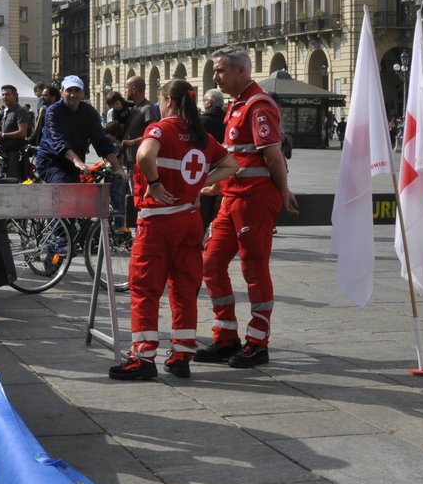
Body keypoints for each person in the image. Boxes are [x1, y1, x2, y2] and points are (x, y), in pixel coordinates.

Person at [110, 79, 235, 380]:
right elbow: (232, 164)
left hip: (158, 221)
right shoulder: (200, 135)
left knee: (145, 288)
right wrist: (200, 184)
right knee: (184, 289)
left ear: (167, 100)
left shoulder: (160, 129)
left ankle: (142, 356)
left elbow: (143, 155)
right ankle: (181, 354)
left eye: (160, 99)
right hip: (190, 220)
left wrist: (154, 183)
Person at [196, 46, 299, 369]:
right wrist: (216, 185)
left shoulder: (258, 105)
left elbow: (272, 155)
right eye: (215, 70)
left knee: (253, 268)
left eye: (221, 70)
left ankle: (258, 342)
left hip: (254, 199)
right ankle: (226, 336)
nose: (215, 76)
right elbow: (238, 157)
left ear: (242, 71)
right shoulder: (237, 105)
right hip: (233, 198)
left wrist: (283, 191)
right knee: (211, 263)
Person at [33, 76, 123, 184]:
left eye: (77, 90)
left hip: (74, 163)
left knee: (75, 193)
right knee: (64, 188)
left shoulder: (89, 111)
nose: (73, 94)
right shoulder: (53, 111)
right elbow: (58, 141)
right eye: (69, 90)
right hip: (51, 161)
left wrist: (118, 169)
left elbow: (101, 141)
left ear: (83, 93)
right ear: (61, 92)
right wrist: (77, 160)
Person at [199, 88, 228, 228]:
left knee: (203, 209)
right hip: (226, 168)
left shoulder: (200, 122)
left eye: (205, 100)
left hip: (205, 169)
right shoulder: (228, 120)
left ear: (209, 103)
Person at [0, 84, 31, 181]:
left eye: (7, 94)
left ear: (15, 95)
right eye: (3, 95)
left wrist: (3, 135)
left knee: (12, 184)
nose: (4, 97)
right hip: (3, 154)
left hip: (14, 156)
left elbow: (22, 133)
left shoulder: (20, 111)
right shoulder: (4, 112)